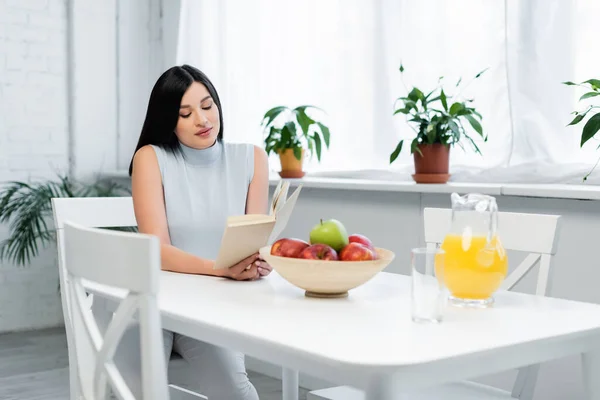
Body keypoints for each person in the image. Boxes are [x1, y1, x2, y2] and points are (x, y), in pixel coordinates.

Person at [121, 64, 273, 399]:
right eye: (185, 113)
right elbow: (155, 249)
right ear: (168, 121)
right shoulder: (151, 158)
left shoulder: (251, 159)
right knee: (141, 393)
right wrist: (220, 270)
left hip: (209, 305)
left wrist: (257, 261)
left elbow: (253, 237)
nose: (203, 121)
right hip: (149, 300)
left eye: (207, 106)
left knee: (238, 394)